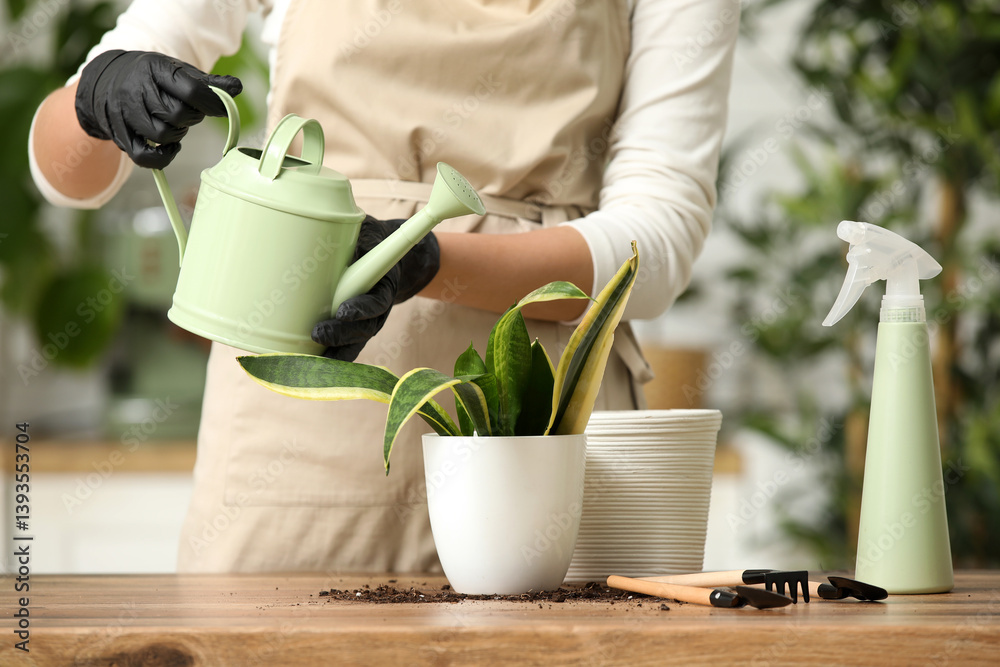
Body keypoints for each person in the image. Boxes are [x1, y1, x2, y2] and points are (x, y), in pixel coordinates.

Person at [29, 0, 739, 573]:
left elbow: (660, 240)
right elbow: (72, 177)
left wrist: (429, 263)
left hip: (535, 418)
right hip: (299, 415)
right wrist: (100, 95)